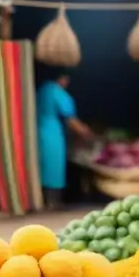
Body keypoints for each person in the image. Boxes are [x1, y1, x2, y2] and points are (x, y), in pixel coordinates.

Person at [37, 70, 94, 209]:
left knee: (43, 166)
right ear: (62, 78)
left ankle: (44, 200)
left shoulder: (41, 90)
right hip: (52, 133)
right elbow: (70, 118)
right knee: (54, 166)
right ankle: (54, 202)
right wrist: (86, 132)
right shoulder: (57, 92)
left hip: (38, 131)